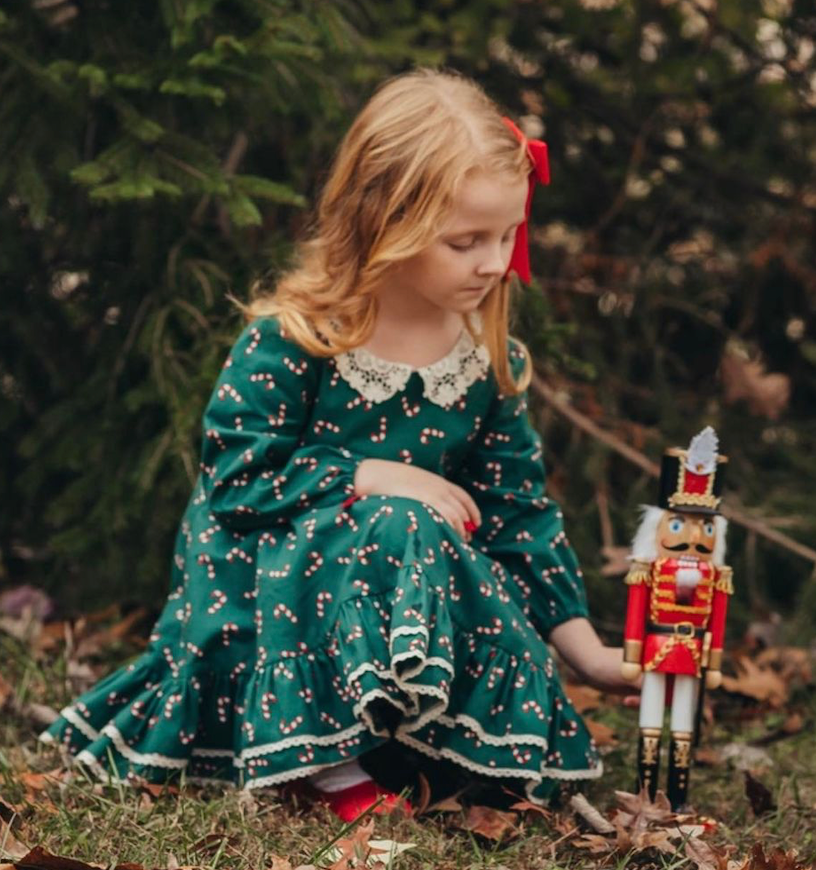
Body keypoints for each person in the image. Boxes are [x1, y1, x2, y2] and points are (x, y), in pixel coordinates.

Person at [39, 68, 633, 821]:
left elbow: (520, 513)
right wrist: (371, 473)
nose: (494, 260)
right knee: (402, 518)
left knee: (438, 537)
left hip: (403, 603)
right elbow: (236, 482)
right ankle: (329, 764)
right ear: (384, 223)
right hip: (267, 591)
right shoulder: (297, 342)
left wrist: (582, 649)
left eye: (509, 233)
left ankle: (422, 743)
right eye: (466, 240)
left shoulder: (488, 361)